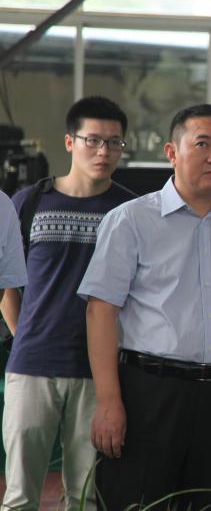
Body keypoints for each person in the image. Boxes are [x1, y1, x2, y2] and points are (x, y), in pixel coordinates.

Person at [78, 104, 211, 511]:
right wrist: (109, 401)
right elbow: (100, 313)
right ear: (172, 152)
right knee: (134, 502)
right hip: (148, 394)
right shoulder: (131, 220)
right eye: (203, 144)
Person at [1, 97, 134, 511]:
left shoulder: (130, 212)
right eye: (93, 140)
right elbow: (7, 284)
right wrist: (25, 337)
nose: (103, 151)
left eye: (114, 143)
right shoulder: (28, 203)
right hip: (31, 369)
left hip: (101, 375)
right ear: (69, 142)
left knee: (86, 498)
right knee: (19, 497)